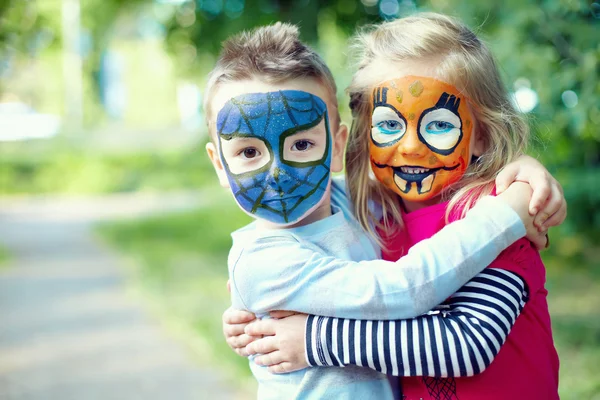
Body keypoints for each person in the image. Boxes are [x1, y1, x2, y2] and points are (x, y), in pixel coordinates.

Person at [210, 22, 564, 399]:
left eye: (439, 124)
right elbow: (391, 291)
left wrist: (522, 178)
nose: (410, 147)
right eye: (390, 124)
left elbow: (467, 343)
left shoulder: (495, 224)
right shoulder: (379, 214)